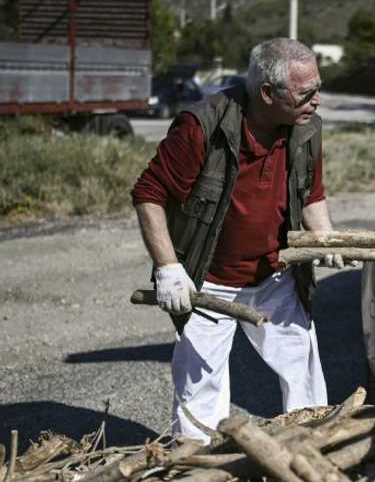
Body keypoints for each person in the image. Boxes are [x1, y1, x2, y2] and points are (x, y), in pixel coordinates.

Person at [131, 38, 349, 442]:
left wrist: (326, 237)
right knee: (200, 391)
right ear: (267, 93)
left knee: (303, 372)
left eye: (318, 88)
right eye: (307, 93)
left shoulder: (305, 128)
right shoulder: (202, 127)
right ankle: (195, 474)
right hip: (211, 281)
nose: (317, 100)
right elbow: (149, 193)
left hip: (276, 276)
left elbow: (311, 194)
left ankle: (310, 454)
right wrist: (168, 269)